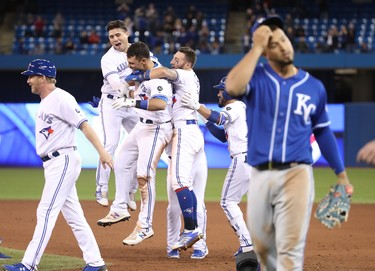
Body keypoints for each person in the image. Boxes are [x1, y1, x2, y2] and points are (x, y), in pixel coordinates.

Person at [225, 16, 352, 270]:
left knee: (290, 250)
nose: (283, 46)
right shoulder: (257, 79)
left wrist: (341, 175)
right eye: (273, 43)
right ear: (264, 51)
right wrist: (256, 48)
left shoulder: (314, 86)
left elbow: (324, 132)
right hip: (260, 174)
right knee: (262, 249)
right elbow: (233, 86)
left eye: (284, 39)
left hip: (297, 173)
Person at [3, 59, 112, 271]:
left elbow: (84, 125)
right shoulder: (47, 101)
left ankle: (29, 264)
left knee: (45, 212)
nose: (28, 81)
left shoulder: (61, 98)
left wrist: (102, 152)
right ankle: (96, 263)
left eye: (31, 76)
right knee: (75, 217)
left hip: (63, 160)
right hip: (54, 163)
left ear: (42, 77)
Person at [129, 47, 208, 258]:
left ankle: (192, 230)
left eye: (177, 59)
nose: (173, 62)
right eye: (172, 58)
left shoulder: (183, 74)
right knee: (182, 191)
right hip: (190, 132)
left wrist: (142, 73)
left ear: (188, 64)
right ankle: (184, 238)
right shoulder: (184, 78)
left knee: (180, 183)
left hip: (183, 131)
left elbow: (162, 72)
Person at [98, 41, 173, 246]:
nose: (130, 67)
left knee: (144, 177)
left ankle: (145, 226)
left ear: (143, 60)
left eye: (132, 64)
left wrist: (132, 102)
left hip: (156, 129)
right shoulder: (142, 73)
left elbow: (160, 104)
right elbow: (129, 82)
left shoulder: (158, 78)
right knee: (121, 163)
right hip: (141, 126)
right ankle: (120, 208)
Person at [181, 76, 257, 262]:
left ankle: (247, 243)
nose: (218, 93)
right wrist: (205, 120)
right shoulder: (242, 109)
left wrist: (197, 106)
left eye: (221, 89)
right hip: (253, 160)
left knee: (227, 201)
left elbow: (220, 118)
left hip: (243, 159)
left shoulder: (235, 107)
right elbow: (224, 136)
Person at [94, 19, 138, 210]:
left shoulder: (140, 50)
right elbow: (114, 83)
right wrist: (132, 92)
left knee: (140, 143)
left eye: (118, 34)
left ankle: (130, 191)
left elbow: (155, 68)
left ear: (126, 33)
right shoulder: (108, 58)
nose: (114, 39)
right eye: (111, 36)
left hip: (133, 103)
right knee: (110, 143)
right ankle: (101, 188)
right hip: (113, 102)